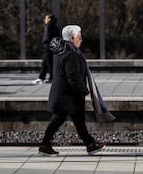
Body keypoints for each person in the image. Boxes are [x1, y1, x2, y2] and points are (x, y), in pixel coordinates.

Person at [38, 25, 106, 156]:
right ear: (71, 38)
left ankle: (90, 144)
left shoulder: (60, 51)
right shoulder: (71, 54)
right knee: (60, 121)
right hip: (68, 96)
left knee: (76, 121)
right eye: (79, 38)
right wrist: (84, 90)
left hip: (65, 95)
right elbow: (73, 77)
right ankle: (45, 145)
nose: (81, 40)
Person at [33, 13, 60, 84]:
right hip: (53, 46)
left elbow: (47, 37)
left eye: (46, 18)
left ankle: (51, 78)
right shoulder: (55, 27)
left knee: (48, 63)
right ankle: (41, 77)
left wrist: (45, 42)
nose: (45, 20)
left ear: (49, 19)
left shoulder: (48, 26)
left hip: (48, 46)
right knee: (45, 63)